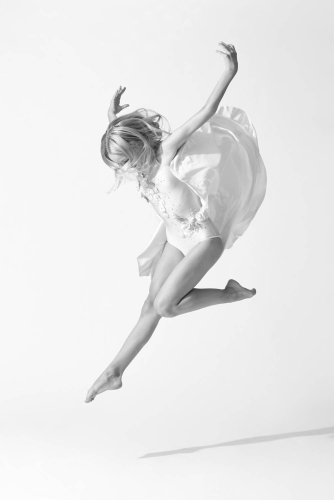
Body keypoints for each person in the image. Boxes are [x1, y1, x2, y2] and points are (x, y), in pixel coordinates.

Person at [85, 41, 267, 403]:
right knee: (149, 305)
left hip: (202, 239)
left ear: (138, 147)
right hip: (174, 238)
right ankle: (115, 371)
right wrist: (112, 118)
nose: (124, 170)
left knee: (167, 306)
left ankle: (230, 293)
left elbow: (205, 111)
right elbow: (123, 139)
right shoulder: (137, 169)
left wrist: (229, 74)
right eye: (118, 165)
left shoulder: (166, 152)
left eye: (124, 160)